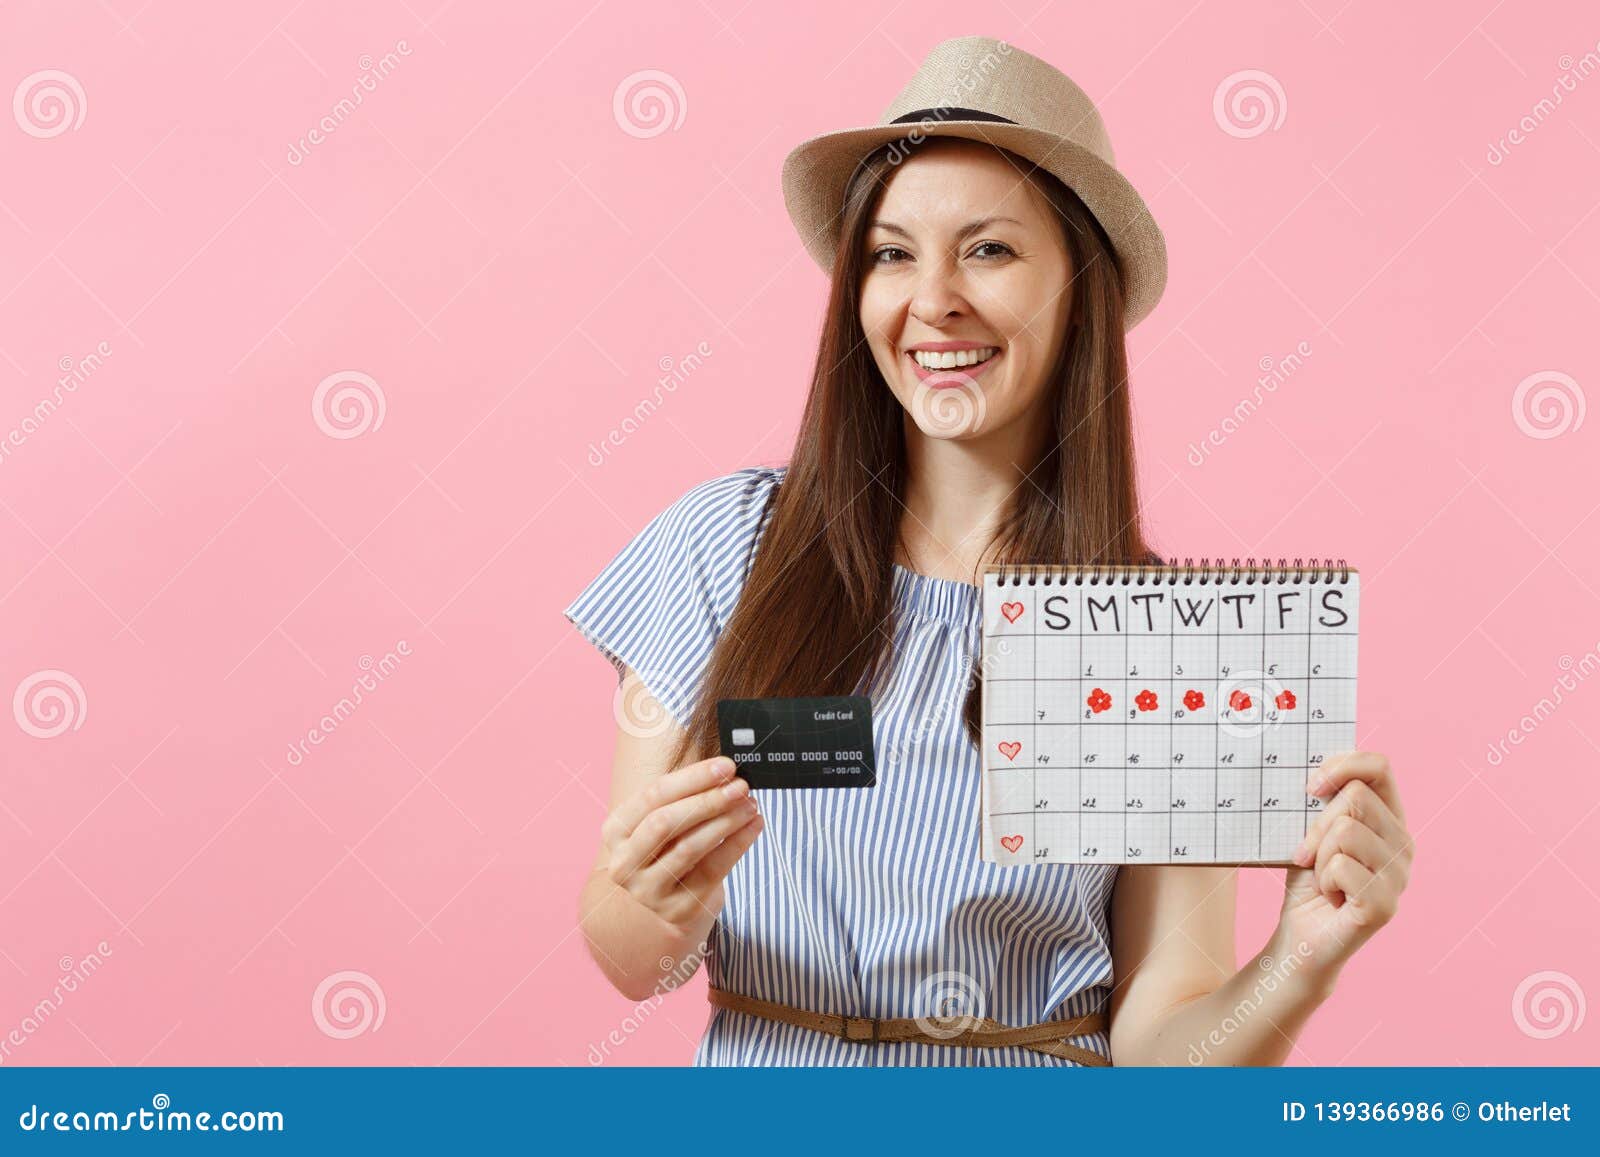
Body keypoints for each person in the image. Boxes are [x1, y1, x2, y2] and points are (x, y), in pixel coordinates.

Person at [564, 36, 1415, 1066]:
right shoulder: (719, 545)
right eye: (890, 252)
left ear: (1078, 286)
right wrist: (651, 907)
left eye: (989, 249)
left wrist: (1299, 960)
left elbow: (1164, 1053)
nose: (933, 299)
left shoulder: (1167, 641)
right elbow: (629, 955)